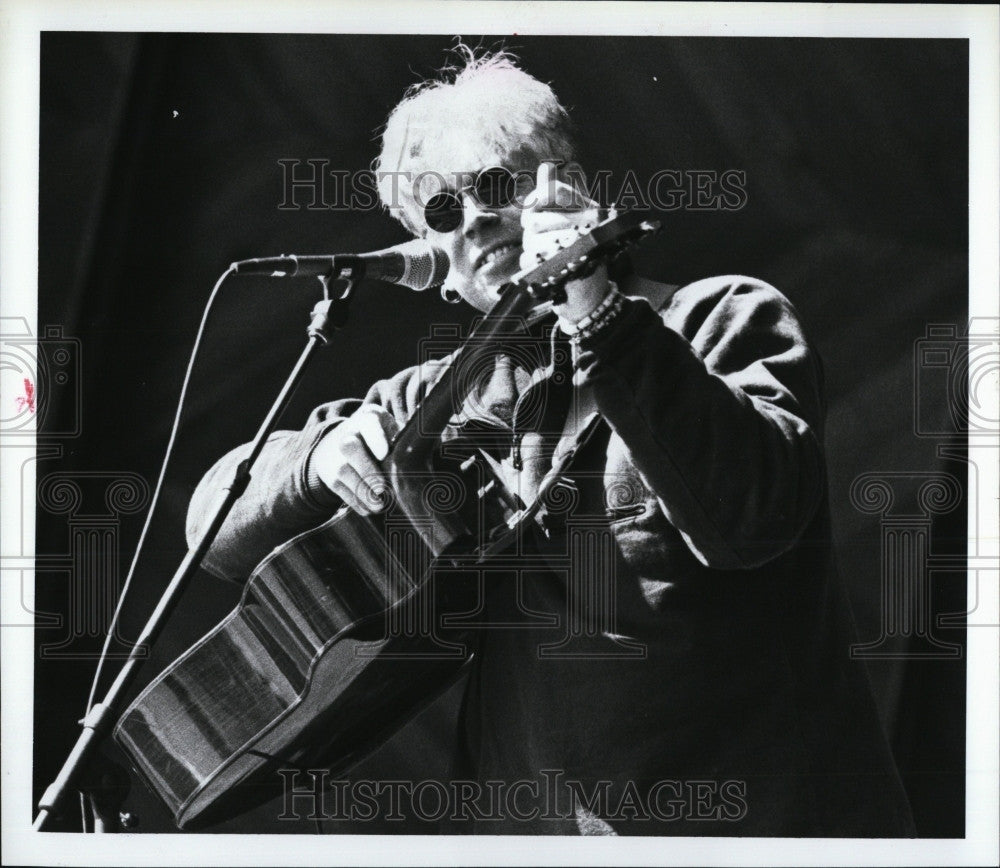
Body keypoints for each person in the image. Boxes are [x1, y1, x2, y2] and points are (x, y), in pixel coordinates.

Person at [186, 47, 915, 836]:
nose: (473, 218)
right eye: (442, 212)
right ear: (443, 269)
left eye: (495, 185)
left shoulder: (721, 319)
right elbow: (212, 528)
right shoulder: (437, 398)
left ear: (572, 191)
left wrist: (596, 311)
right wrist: (317, 461)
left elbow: (752, 519)